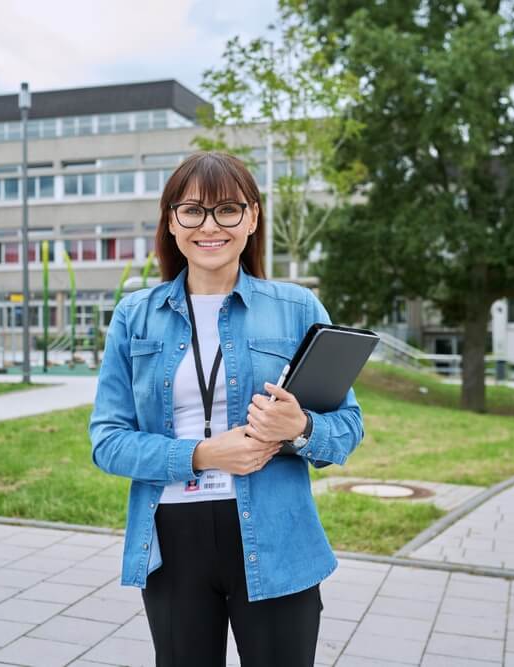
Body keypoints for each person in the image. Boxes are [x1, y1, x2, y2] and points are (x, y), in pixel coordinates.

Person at [89, 152, 364, 667]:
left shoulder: (297, 308)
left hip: (277, 537)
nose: (209, 226)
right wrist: (204, 454)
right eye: (192, 210)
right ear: (171, 221)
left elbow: (347, 427)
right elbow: (107, 441)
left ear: (253, 217)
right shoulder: (135, 316)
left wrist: (299, 428)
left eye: (228, 210)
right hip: (172, 541)